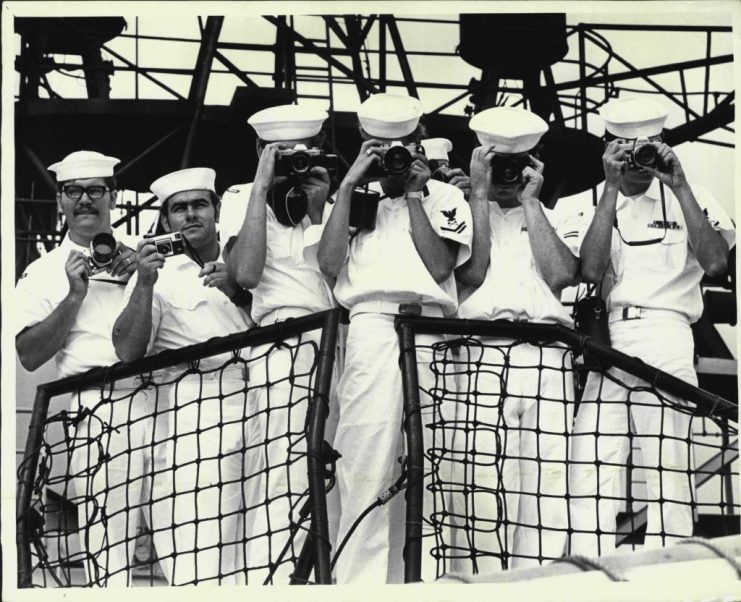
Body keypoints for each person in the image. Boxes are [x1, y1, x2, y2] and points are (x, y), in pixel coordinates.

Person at [316, 93, 473, 583]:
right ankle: (358, 585)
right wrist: (347, 186)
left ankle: (424, 582)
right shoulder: (350, 198)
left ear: (419, 145)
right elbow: (327, 264)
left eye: (402, 148)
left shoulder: (445, 197)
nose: (393, 159)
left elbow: (442, 265)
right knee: (364, 454)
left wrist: (413, 196)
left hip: (427, 327)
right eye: (381, 148)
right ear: (365, 146)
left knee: (430, 456)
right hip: (370, 327)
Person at [568, 97, 735, 556]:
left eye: (649, 147)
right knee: (590, 462)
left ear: (663, 145)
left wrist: (679, 185)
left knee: (668, 464)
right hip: (608, 337)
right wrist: (609, 187)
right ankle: (588, 569)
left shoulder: (694, 196)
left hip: (667, 332)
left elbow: (717, 262)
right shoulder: (581, 201)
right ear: (608, 148)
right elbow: (588, 270)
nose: (639, 159)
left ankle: (672, 571)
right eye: (626, 148)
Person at [451, 106, 584, 572]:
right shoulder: (460, 211)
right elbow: (468, 273)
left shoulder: (554, 213)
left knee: (547, 487)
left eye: (518, 162)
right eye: (498, 161)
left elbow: (562, 274)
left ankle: (540, 585)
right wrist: (479, 192)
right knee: (484, 482)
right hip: (483, 353)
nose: (509, 171)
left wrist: (530, 200)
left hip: (547, 357)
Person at [14, 150, 151, 586]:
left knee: (187, 532)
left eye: (96, 191)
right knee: (108, 549)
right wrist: (73, 296)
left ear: (113, 196)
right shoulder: (43, 271)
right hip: (99, 408)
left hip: (171, 395)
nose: (85, 200)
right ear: (60, 201)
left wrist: (143, 279)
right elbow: (29, 353)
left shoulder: (142, 252)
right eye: (74, 192)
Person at [112, 167, 253, 585]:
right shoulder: (156, 275)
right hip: (197, 405)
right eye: (179, 209)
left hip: (264, 395)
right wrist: (143, 284)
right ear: (165, 220)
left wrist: (238, 289)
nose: (190, 215)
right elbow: (127, 349)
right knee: (201, 533)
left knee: (260, 528)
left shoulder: (245, 259)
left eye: (199, 205)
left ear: (216, 210)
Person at [222, 104, 338, 584]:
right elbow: (245, 273)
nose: (294, 165)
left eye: (301, 155)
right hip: (281, 343)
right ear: (261, 152)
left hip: (338, 337)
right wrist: (260, 185)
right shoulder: (238, 198)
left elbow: (339, 271)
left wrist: (320, 206)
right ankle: (277, 582)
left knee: (336, 464)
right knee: (282, 468)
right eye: (282, 155)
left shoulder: (334, 197)